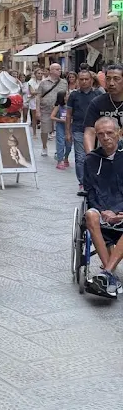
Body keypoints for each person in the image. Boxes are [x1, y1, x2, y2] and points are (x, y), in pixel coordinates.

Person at [83, 117, 123, 294]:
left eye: (109, 133)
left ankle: (106, 273)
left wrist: (117, 212)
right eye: (101, 134)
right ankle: (109, 274)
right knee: (90, 215)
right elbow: (90, 191)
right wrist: (103, 210)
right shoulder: (91, 159)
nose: (105, 137)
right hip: (102, 211)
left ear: (119, 133)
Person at [66, 69, 101, 188]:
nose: (84, 81)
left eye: (87, 79)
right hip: (78, 129)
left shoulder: (98, 94)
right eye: (82, 79)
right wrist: (68, 132)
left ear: (91, 80)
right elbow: (69, 114)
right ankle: (83, 183)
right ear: (78, 81)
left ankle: (94, 180)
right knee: (80, 157)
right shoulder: (74, 95)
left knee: (94, 156)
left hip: (96, 131)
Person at [83, 63, 123, 153]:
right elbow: (89, 132)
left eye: (116, 79)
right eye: (108, 79)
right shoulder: (97, 103)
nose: (111, 83)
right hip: (104, 154)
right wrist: (90, 156)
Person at [37, 63, 68, 157]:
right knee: (44, 130)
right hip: (46, 109)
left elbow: (66, 95)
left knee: (60, 131)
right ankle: (44, 146)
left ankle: (58, 150)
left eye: (60, 69)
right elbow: (38, 96)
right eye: (57, 69)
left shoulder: (64, 82)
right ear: (51, 71)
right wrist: (37, 110)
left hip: (60, 110)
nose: (59, 71)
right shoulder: (43, 82)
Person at [50, 91, 71, 169]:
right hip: (60, 127)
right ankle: (60, 160)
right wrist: (61, 120)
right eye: (66, 95)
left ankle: (66, 158)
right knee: (60, 143)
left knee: (69, 145)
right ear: (63, 97)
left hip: (69, 127)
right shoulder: (58, 106)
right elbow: (52, 117)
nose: (68, 96)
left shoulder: (71, 106)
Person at [27, 66, 42, 137]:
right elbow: (32, 92)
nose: (40, 75)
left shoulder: (43, 81)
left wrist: (37, 92)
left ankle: (45, 132)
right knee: (34, 117)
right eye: (38, 73)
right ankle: (34, 133)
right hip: (34, 100)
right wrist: (40, 92)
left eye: (41, 73)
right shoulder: (31, 82)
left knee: (43, 117)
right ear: (35, 74)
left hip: (42, 100)